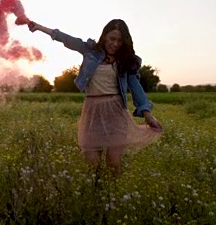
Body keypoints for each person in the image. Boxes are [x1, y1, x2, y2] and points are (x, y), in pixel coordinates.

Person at [27, 18, 163, 176]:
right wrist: (39, 27)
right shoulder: (90, 50)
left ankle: (113, 196)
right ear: (104, 36)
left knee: (114, 164)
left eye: (120, 40)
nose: (115, 44)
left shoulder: (125, 61)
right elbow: (67, 39)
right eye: (112, 39)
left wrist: (148, 115)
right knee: (92, 165)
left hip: (115, 112)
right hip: (92, 112)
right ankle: (96, 194)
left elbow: (136, 88)